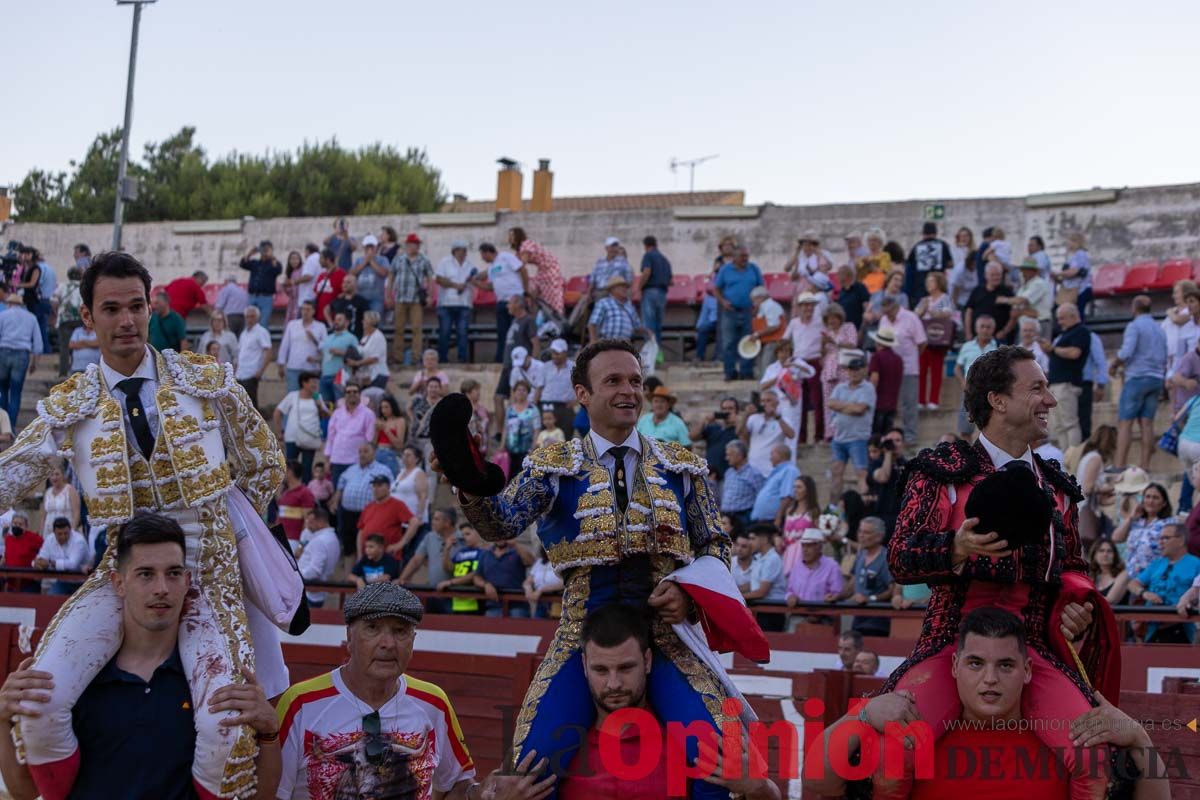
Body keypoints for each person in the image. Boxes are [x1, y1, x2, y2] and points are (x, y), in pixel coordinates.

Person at [0, 251, 289, 800]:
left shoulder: (203, 379)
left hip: (208, 570)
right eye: (111, 309)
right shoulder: (73, 404)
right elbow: (9, 476)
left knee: (226, 727)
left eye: (137, 306)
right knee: (37, 702)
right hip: (123, 569)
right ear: (87, 317)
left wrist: (230, 524)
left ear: (151, 308)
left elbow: (262, 460)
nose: (127, 320)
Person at [445, 338, 756, 800]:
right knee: (528, 772)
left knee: (716, 760)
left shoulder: (682, 466)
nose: (628, 390)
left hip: (665, 638)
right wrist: (468, 483)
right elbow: (501, 523)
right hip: (581, 638)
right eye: (612, 381)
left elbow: (714, 543)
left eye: (634, 381)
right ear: (582, 394)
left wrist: (690, 593)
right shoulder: (553, 467)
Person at [877, 345, 1116, 800]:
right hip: (950, 644)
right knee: (897, 750)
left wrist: (1075, 605)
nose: (1050, 400)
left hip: (1032, 651)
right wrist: (955, 548)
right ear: (998, 400)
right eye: (1037, 388)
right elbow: (901, 557)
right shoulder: (941, 473)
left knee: (1092, 756)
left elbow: (1073, 569)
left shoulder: (1056, 487)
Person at [0, 513, 283, 800]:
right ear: (119, 583)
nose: (161, 588)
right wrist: (0, 720)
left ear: (187, 581)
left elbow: (260, 797)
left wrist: (269, 732)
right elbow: (24, 792)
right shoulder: (78, 678)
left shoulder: (208, 683)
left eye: (173, 573)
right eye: (146, 574)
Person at [805, 607, 1171, 800]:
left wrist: (1141, 739)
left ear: (1028, 671)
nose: (990, 678)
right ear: (954, 666)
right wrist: (864, 714)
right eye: (976, 663)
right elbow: (817, 782)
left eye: (1006, 665)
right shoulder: (920, 740)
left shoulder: (1064, 743)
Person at [276, 582, 553, 799]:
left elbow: (453, 788)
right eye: (372, 629)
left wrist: (479, 794)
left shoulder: (433, 702)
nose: (388, 643)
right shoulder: (301, 703)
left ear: (413, 641)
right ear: (349, 637)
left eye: (400, 631)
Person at [559, 603, 779, 799]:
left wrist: (757, 788)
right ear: (584, 665)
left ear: (647, 661)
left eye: (626, 668)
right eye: (601, 670)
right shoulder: (563, 746)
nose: (614, 683)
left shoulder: (685, 741)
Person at [1112, 294, 1167, 470]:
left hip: (1137, 377)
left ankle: (1119, 465)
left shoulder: (1134, 326)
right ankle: (1145, 467)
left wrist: (1114, 364)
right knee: (1147, 423)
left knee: (1125, 422)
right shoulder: (1160, 328)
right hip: (1156, 378)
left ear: (1134, 308)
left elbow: (1126, 352)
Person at [330, 441, 395, 558]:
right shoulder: (351, 469)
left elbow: (391, 491)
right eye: (360, 452)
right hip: (348, 514)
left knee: (367, 547)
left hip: (370, 515)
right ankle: (348, 575)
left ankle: (364, 574)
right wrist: (335, 501)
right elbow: (340, 486)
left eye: (366, 451)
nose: (362, 454)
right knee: (349, 548)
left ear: (374, 453)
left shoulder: (383, 470)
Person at [877, 295, 926, 443]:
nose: (888, 315)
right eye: (885, 312)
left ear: (895, 307)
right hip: (887, 370)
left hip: (908, 367)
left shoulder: (911, 318)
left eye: (889, 312)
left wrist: (913, 357)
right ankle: (888, 436)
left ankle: (910, 436)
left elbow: (922, 342)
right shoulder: (883, 320)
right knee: (888, 403)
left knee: (909, 403)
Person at [1043, 303, 1091, 450]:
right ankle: (1065, 460)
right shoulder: (1063, 334)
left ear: (1073, 316)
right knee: (1059, 426)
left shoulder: (1081, 331)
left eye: (1063, 318)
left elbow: (1074, 353)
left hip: (1067, 383)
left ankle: (1073, 458)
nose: (1060, 322)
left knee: (1069, 423)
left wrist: (1053, 349)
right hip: (1056, 384)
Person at [828, 357, 876, 503]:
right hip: (839, 437)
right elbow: (830, 403)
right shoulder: (840, 387)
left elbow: (860, 409)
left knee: (861, 473)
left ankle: (866, 508)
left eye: (858, 369)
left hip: (858, 437)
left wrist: (841, 406)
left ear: (864, 370)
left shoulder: (868, 388)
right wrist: (851, 406)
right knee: (836, 472)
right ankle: (833, 508)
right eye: (852, 369)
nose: (854, 372)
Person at [1111, 477, 1173, 587]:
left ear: (1164, 503)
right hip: (1131, 574)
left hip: (1154, 575)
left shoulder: (1168, 523)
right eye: (1147, 497)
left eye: (1155, 498)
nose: (1150, 501)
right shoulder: (1137, 521)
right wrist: (1130, 518)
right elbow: (1116, 538)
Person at [714, 246, 764, 381]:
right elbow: (716, 288)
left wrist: (758, 305)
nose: (745, 259)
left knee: (749, 342)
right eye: (742, 256)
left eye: (746, 256)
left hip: (749, 311)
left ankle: (746, 371)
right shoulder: (725, 270)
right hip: (730, 312)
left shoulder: (754, 269)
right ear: (734, 257)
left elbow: (762, 288)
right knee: (729, 343)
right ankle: (729, 372)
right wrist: (723, 301)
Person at [385, 233, 434, 366]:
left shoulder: (424, 260)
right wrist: (388, 295)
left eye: (417, 244)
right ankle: (397, 356)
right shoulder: (398, 259)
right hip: (400, 298)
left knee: (417, 328)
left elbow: (430, 278)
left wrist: (430, 295)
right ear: (408, 245)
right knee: (398, 328)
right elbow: (391, 277)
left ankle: (416, 356)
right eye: (413, 244)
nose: (416, 247)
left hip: (416, 299)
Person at [476, 242, 529, 363]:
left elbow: (522, 269)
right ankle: (502, 358)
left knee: (518, 331)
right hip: (501, 302)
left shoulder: (505, 257)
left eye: (482, 255)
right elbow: (490, 287)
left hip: (515, 299)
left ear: (487, 252)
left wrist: (525, 291)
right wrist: (475, 283)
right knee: (502, 333)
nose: (482, 258)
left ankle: (521, 358)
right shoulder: (491, 268)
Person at [784, 293, 826, 443]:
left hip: (814, 361)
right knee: (799, 402)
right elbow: (784, 341)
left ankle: (819, 436)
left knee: (817, 401)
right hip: (799, 363)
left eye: (811, 305)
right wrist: (788, 360)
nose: (809, 308)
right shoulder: (794, 323)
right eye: (805, 305)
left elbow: (827, 340)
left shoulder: (820, 322)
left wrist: (823, 355)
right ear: (800, 307)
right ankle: (801, 438)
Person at [494, 294, 540, 428]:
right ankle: (501, 432)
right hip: (507, 366)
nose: (507, 306)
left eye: (510, 303)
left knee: (514, 399)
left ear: (519, 304)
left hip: (519, 367)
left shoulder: (528, 320)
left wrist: (533, 363)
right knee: (498, 397)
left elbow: (536, 343)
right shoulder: (514, 321)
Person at [273, 372, 327, 483]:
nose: (315, 385)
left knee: (307, 469)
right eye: (313, 382)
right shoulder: (292, 396)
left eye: (316, 382)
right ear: (304, 383)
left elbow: (325, 416)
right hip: (292, 437)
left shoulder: (318, 397)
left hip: (310, 437)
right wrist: (279, 432)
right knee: (291, 468)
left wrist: (319, 405)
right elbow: (278, 412)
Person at [914, 272, 956, 410]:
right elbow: (915, 316)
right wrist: (923, 309)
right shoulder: (924, 300)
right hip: (923, 339)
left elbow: (949, 313)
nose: (928, 284)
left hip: (938, 339)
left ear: (938, 283)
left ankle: (933, 400)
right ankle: (920, 400)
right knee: (921, 369)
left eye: (931, 281)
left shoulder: (945, 298)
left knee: (936, 370)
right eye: (927, 281)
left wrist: (934, 313)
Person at [399, 507, 460, 603]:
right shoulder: (430, 537)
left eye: (436, 519)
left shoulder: (463, 539)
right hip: (433, 593)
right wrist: (401, 579)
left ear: (447, 523)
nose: (432, 522)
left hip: (456, 594)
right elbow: (416, 560)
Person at [952, 314, 998, 437]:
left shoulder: (998, 349)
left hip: (990, 392)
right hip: (970, 391)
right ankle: (968, 455)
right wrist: (963, 382)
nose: (985, 330)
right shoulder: (967, 347)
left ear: (993, 329)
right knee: (965, 429)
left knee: (991, 428)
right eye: (982, 326)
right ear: (976, 328)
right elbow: (957, 368)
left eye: (988, 327)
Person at [324, 382, 377, 485]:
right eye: (348, 392)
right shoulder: (337, 413)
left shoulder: (368, 414)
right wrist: (327, 460)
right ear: (344, 396)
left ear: (360, 395)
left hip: (356, 461)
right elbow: (330, 438)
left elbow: (370, 439)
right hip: (337, 460)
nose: (352, 394)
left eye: (355, 392)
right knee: (337, 494)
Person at [819, 303, 859, 438]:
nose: (831, 321)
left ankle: (845, 431)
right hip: (828, 370)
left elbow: (853, 345)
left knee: (845, 400)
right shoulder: (826, 332)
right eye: (829, 318)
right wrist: (823, 344)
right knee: (828, 403)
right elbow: (822, 355)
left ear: (840, 317)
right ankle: (830, 433)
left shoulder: (848, 327)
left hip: (845, 369)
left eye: (834, 317)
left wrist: (834, 342)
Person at [434, 241, 477, 363]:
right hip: (446, 303)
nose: (462, 252)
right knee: (445, 332)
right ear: (454, 251)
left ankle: (462, 359)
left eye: (464, 250)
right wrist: (455, 285)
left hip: (464, 304)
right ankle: (442, 359)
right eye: (460, 250)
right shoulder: (445, 262)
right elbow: (439, 279)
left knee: (462, 332)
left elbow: (475, 279)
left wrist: (473, 281)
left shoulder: (470, 265)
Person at [355, 474, 417, 559]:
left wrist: (400, 544)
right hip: (368, 557)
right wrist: (359, 554)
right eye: (374, 486)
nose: (375, 489)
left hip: (387, 557)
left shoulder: (397, 505)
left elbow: (414, 522)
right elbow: (361, 531)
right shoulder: (368, 507)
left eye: (379, 486)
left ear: (388, 488)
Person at [741, 524, 788, 631]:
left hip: (771, 612)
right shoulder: (759, 557)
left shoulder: (772, 559)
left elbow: (761, 592)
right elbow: (754, 584)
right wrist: (734, 589)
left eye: (753, 538)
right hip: (761, 609)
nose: (750, 542)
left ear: (765, 540)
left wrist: (738, 597)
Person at [474, 537, 534, 618]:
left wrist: (515, 545)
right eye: (497, 534)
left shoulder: (517, 550)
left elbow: (531, 561)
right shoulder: (486, 553)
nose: (500, 537)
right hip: (493, 605)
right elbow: (477, 577)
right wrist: (486, 584)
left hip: (518, 605)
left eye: (503, 534)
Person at [740, 390, 794, 478]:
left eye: (768, 401)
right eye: (762, 401)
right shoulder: (753, 418)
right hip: (753, 469)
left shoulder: (783, 420)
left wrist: (776, 416)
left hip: (771, 470)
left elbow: (791, 435)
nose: (764, 404)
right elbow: (740, 434)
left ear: (777, 403)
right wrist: (746, 415)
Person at [276, 300, 326, 393]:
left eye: (308, 309)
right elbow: (285, 345)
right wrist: (281, 364)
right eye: (303, 309)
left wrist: (314, 340)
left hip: (311, 369)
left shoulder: (320, 327)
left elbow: (325, 349)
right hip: (293, 367)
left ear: (313, 311)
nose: (305, 312)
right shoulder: (292, 325)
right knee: (292, 394)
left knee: (313, 395)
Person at [294, 507, 341, 608]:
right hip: (316, 593)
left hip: (309, 594)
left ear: (320, 522)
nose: (307, 525)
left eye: (310, 522)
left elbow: (315, 571)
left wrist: (295, 576)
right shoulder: (333, 537)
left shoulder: (320, 541)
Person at [784, 528, 843, 607]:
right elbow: (789, 591)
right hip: (798, 614)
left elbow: (837, 594)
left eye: (809, 546)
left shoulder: (832, 566)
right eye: (803, 546)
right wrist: (790, 596)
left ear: (819, 547)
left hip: (823, 615)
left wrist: (817, 615)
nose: (805, 550)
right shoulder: (796, 566)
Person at [33, 517, 90, 595]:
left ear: (70, 530)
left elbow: (72, 564)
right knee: (50, 599)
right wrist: (37, 563)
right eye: (59, 534)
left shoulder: (79, 540)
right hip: (63, 581)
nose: (63, 536)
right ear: (54, 532)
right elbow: (41, 557)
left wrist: (50, 563)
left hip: (82, 582)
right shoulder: (50, 539)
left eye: (66, 533)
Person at [964, 262, 1015, 346]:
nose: (996, 277)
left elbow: (1014, 315)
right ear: (986, 275)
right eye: (992, 275)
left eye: (998, 275)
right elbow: (969, 312)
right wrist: (968, 332)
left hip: (999, 339)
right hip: (976, 338)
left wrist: (1004, 332)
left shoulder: (1007, 292)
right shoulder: (977, 290)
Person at [438, 523, 485, 614]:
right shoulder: (461, 552)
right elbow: (448, 569)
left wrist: (451, 582)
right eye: (463, 535)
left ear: (478, 533)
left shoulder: (483, 552)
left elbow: (475, 574)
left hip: (474, 603)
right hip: (457, 601)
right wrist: (447, 550)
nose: (464, 537)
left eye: (468, 534)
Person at [690, 397, 741, 479]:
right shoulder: (714, 427)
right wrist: (704, 420)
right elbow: (693, 436)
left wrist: (737, 422)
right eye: (724, 409)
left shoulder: (739, 429)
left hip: (729, 475)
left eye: (730, 408)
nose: (727, 411)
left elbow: (745, 440)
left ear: (737, 411)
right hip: (711, 474)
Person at [903, 222, 953, 304]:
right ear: (936, 233)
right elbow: (951, 264)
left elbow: (909, 269)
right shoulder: (943, 245)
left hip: (920, 288)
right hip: (938, 287)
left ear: (923, 233)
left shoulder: (916, 247)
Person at [234, 305, 272, 407]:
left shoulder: (261, 332)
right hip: (240, 373)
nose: (249, 319)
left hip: (251, 373)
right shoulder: (244, 333)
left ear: (257, 317)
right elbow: (240, 353)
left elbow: (268, 351)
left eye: (252, 316)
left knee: (251, 404)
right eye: (248, 316)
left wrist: (261, 371)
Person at [750, 444, 800, 523]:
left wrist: (778, 518)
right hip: (762, 520)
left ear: (780, 455)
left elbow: (787, 496)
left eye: (772, 454)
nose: (770, 458)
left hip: (773, 520)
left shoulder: (790, 470)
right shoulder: (776, 472)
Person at [50, 266, 84, 378]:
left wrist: (56, 313)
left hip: (65, 320)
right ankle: (77, 371)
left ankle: (63, 372)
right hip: (80, 320)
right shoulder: (83, 287)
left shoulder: (62, 286)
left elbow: (54, 301)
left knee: (64, 347)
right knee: (78, 346)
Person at [867, 328, 903, 435]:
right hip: (892, 404)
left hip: (878, 403)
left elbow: (874, 378)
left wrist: (868, 397)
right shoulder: (898, 359)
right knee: (887, 436)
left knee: (875, 437)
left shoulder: (877, 357)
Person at [316, 311, 357, 403]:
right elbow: (324, 355)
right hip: (325, 376)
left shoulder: (351, 338)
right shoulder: (328, 338)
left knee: (340, 404)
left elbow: (357, 356)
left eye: (339, 320)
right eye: (335, 319)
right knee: (325, 406)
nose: (336, 322)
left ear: (346, 322)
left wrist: (341, 352)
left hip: (340, 377)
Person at [638, 235, 672, 345]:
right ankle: (658, 354)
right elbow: (671, 281)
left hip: (650, 291)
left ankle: (650, 352)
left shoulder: (648, 255)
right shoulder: (665, 259)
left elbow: (646, 272)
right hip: (662, 293)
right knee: (658, 325)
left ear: (645, 245)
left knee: (649, 325)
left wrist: (639, 288)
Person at [721, 439, 764, 525]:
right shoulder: (728, 472)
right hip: (726, 517)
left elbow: (760, 498)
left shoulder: (754, 474)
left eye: (729, 455)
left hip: (743, 517)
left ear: (739, 455)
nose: (727, 458)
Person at [587, 274, 640, 343]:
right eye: (621, 286)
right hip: (606, 343)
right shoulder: (603, 303)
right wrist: (593, 340)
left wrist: (648, 332)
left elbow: (637, 327)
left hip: (625, 345)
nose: (625, 289)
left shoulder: (630, 307)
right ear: (612, 289)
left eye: (625, 287)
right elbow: (592, 324)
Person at [347, 309, 389, 396]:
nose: (362, 322)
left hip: (377, 374)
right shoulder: (365, 338)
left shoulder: (378, 337)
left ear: (370, 322)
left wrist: (356, 363)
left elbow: (374, 358)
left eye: (364, 320)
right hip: (367, 375)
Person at [504, 379, 540, 478]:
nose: (521, 392)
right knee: (511, 476)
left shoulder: (533, 409)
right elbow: (505, 428)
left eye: (523, 390)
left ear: (528, 393)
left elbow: (536, 429)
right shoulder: (510, 409)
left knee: (523, 476)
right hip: (511, 449)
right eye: (518, 390)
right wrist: (502, 445)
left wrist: (533, 447)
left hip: (526, 449)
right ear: (514, 392)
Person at [240, 241, 282, 323]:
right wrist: (250, 253)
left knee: (263, 322)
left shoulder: (274, 263)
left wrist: (272, 257)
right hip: (252, 296)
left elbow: (278, 270)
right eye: (263, 249)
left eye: (267, 249)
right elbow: (243, 264)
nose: (265, 251)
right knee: (249, 321)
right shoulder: (255, 263)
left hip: (266, 298)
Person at [276, 461, 316, 549]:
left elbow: (308, 521)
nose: (282, 473)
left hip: (294, 542)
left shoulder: (305, 493)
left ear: (290, 472)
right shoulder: (286, 492)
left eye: (284, 470)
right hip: (280, 539)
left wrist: (301, 546)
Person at [1053, 230, 1092, 319]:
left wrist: (1059, 273)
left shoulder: (1081, 255)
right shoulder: (1071, 256)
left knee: (1078, 314)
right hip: (1069, 290)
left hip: (1080, 289)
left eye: (1071, 241)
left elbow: (1074, 271)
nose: (1068, 243)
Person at [540, 339, 576, 436]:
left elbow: (581, 386)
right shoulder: (546, 366)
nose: (554, 356)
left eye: (557, 353)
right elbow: (539, 387)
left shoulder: (574, 367)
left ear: (565, 353)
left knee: (565, 435)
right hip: (547, 404)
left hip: (565, 406)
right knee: (545, 436)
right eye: (553, 353)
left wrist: (576, 401)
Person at [349, 234, 390, 315]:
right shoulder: (358, 260)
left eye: (372, 247)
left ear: (376, 247)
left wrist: (371, 261)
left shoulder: (383, 260)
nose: (369, 249)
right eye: (367, 247)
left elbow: (384, 273)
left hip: (377, 299)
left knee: (374, 321)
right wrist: (365, 262)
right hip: (360, 297)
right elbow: (352, 273)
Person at [1079, 327, 1109, 441]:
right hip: (1066, 385)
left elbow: (1100, 361)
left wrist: (1101, 384)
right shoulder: (1060, 337)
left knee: (1083, 424)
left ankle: (1082, 454)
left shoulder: (1090, 336)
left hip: (1084, 384)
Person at [390, 445, 429, 530]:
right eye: (404, 455)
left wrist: (419, 516)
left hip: (412, 517)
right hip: (399, 518)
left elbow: (423, 496)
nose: (405, 457)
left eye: (408, 455)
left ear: (417, 459)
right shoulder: (401, 473)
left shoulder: (419, 473)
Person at [2, 513, 43, 593]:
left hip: (28, 583)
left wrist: (38, 563)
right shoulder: (8, 539)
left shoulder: (34, 538)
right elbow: (5, 557)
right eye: (14, 523)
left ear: (26, 526)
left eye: (20, 524)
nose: (17, 526)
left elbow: (45, 551)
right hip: (10, 583)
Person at [1012, 258, 1053, 337]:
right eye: (1023, 270)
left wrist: (1003, 300)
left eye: (1026, 270)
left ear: (1033, 271)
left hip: (1040, 323)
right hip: (1026, 325)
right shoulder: (1023, 286)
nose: (1023, 272)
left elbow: (1022, 301)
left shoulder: (1039, 283)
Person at [748, 286, 786, 368]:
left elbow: (774, 325)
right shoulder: (764, 307)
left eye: (754, 300)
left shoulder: (770, 306)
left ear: (761, 297)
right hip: (765, 342)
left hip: (773, 342)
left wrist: (757, 334)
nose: (754, 303)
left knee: (767, 368)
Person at [40, 466, 81, 538]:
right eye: (52, 475)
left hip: (65, 532)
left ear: (63, 476)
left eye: (57, 474)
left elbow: (76, 512)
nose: (54, 477)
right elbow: (43, 516)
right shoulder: (47, 492)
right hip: (48, 533)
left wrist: (72, 531)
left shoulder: (70, 490)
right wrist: (41, 533)